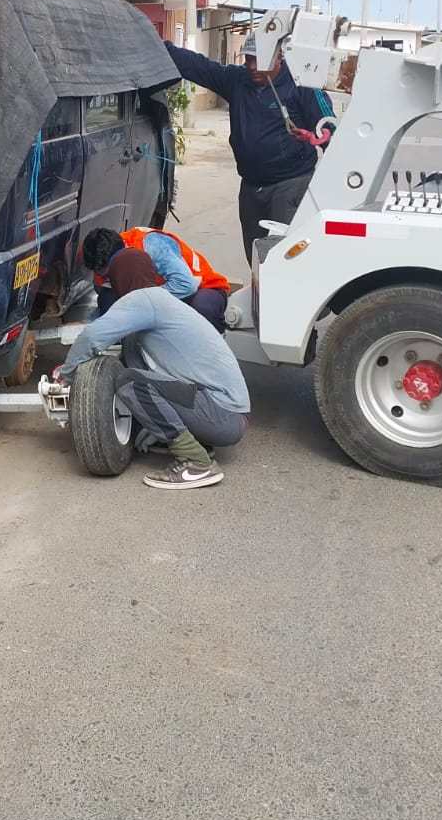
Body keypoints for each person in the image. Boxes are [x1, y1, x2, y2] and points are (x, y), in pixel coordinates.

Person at [59, 248, 249, 491]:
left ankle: (198, 463)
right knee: (134, 356)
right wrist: (158, 423)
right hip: (228, 414)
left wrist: (66, 374)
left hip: (224, 415)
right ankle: (194, 440)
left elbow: (92, 337)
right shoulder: (161, 300)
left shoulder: (143, 299)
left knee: (129, 380)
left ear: (120, 279)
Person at [166, 33, 336, 258]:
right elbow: (198, 66)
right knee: (256, 255)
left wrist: (325, 138)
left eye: (261, 60)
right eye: (248, 60)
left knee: (284, 256)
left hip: (290, 185)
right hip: (251, 187)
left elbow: (329, 126)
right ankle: (262, 292)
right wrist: (158, 43)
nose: (254, 67)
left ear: (279, 58)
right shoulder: (237, 80)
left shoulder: (301, 84)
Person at [81, 226, 230, 331]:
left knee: (203, 309)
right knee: (107, 302)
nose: (108, 277)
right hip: (160, 296)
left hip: (200, 288)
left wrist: (143, 302)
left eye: (110, 273)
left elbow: (186, 285)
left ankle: (213, 347)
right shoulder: (99, 265)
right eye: (104, 275)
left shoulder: (151, 245)